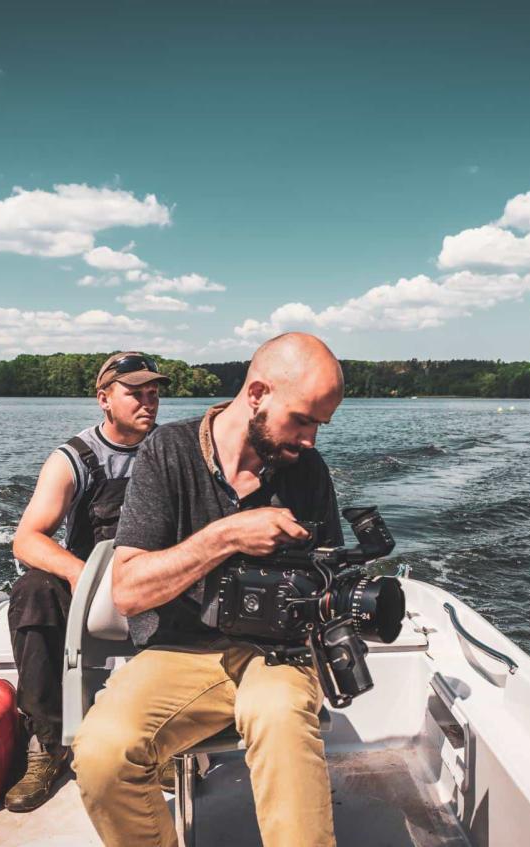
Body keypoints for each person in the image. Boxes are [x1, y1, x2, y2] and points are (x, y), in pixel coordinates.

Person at [73, 332, 346, 847]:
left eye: (320, 425)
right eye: (304, 419)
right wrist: (226, 536)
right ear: (258, 393)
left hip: (275, 652)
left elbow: (327, 574)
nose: (311, 439)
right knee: (102, 753)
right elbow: (127, 591)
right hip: (177, 650)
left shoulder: (306, 468)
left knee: (282, 719)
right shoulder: (167, 451)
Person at [3, 352, 170, 813]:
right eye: (134, 392)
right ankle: (48, 743)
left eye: (153, 393)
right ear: (104, 399)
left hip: (156, 576)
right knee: (33, 592)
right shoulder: (74, 458)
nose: (148, 402)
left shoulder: (174, 449)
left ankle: (171, 735)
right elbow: (27, 538)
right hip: (91, 580)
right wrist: (78, 574)